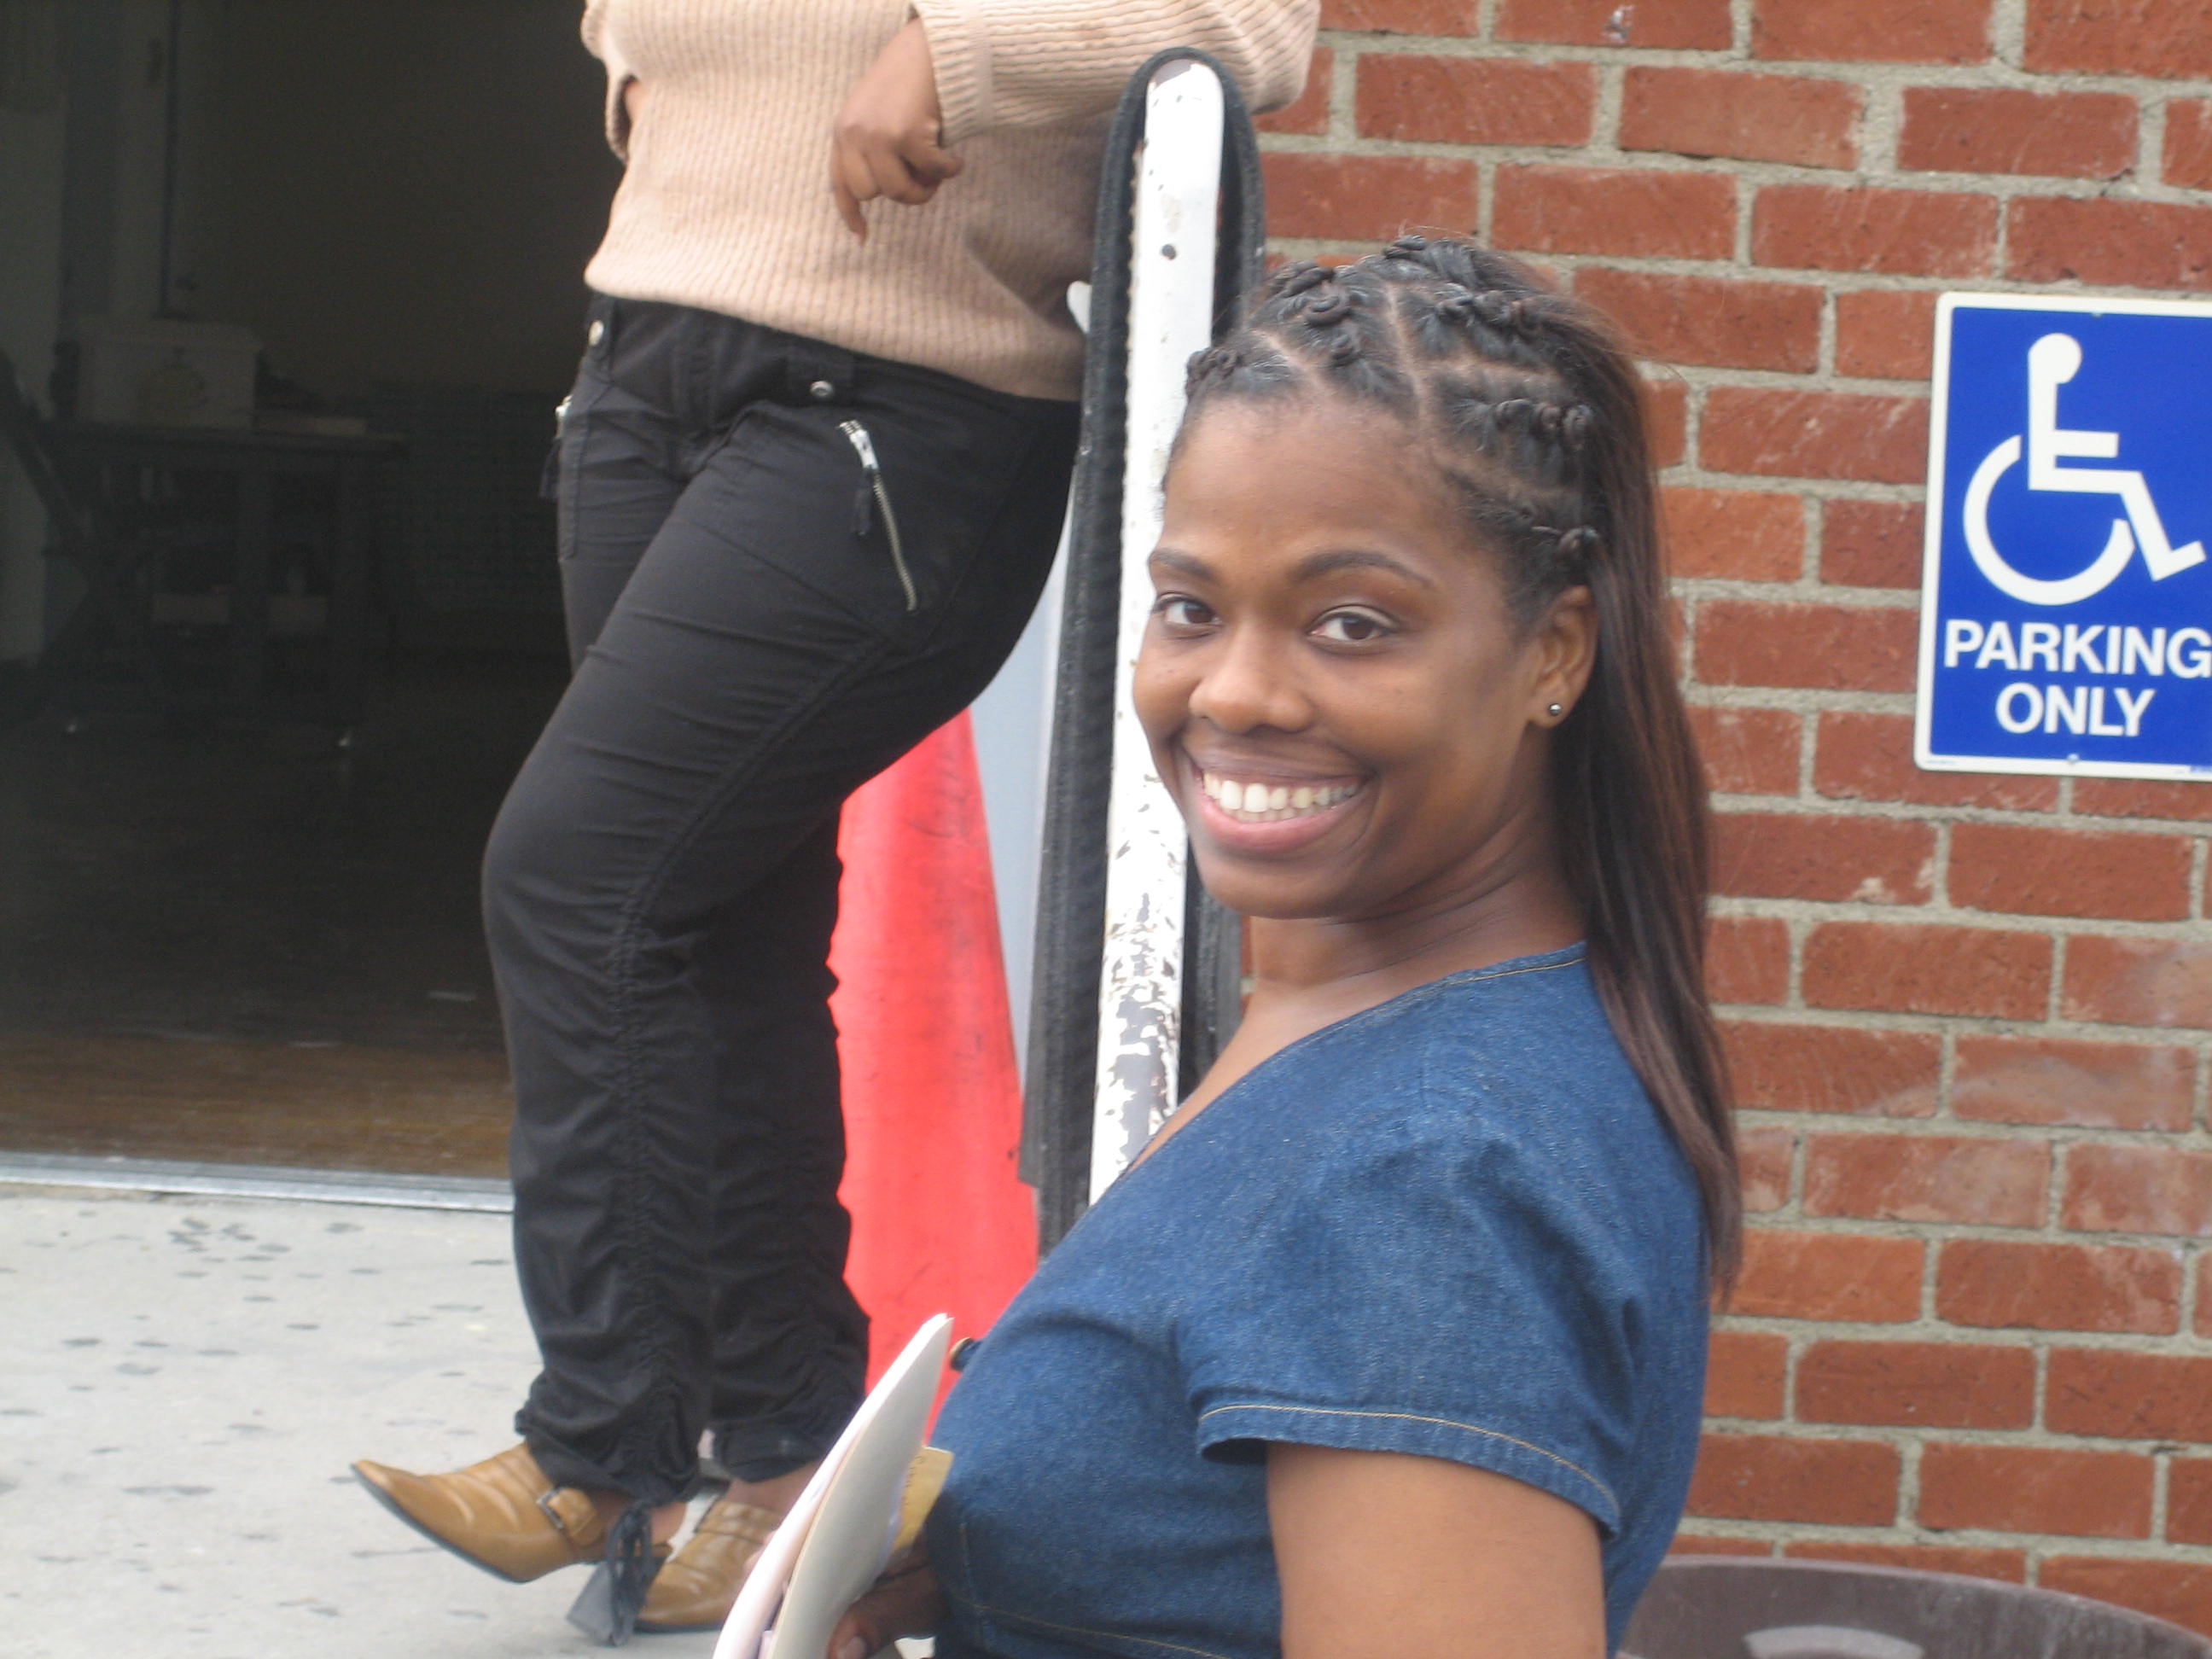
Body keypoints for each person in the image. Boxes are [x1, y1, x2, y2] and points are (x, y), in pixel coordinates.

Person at [351, 0, 1317, 1644]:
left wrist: (953, 50)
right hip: (644, 365)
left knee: (578, 876)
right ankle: (786, 1462)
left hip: (893, 402)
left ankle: (600, 1441)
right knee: (715, 924)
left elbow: (1248, 27)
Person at [829, 236, 1738, 1659]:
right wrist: (1000, 1564)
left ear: (1554, 653)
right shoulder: (1364, 1025)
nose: (1236, 692)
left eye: (1351, 624)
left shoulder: (1429, 1173)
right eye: (1191, 608)